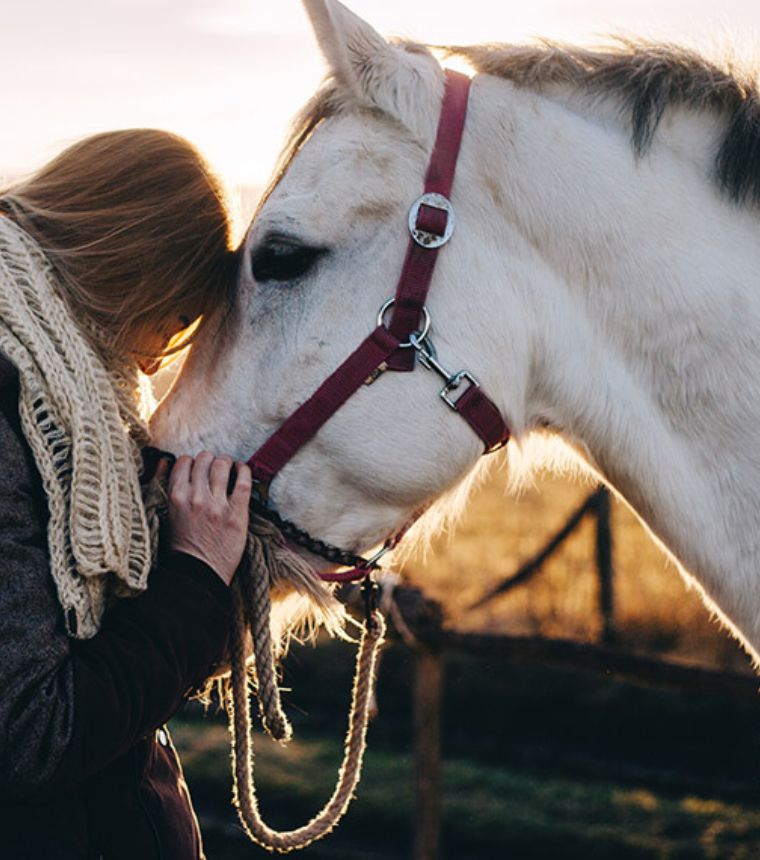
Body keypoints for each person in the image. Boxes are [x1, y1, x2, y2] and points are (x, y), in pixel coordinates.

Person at [0, 129, 250, 859]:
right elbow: (37, 732)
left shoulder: (60, 393)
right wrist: (197, 574)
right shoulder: (19, 405)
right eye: (179, 322)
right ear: (143, 279)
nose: (161, 356)